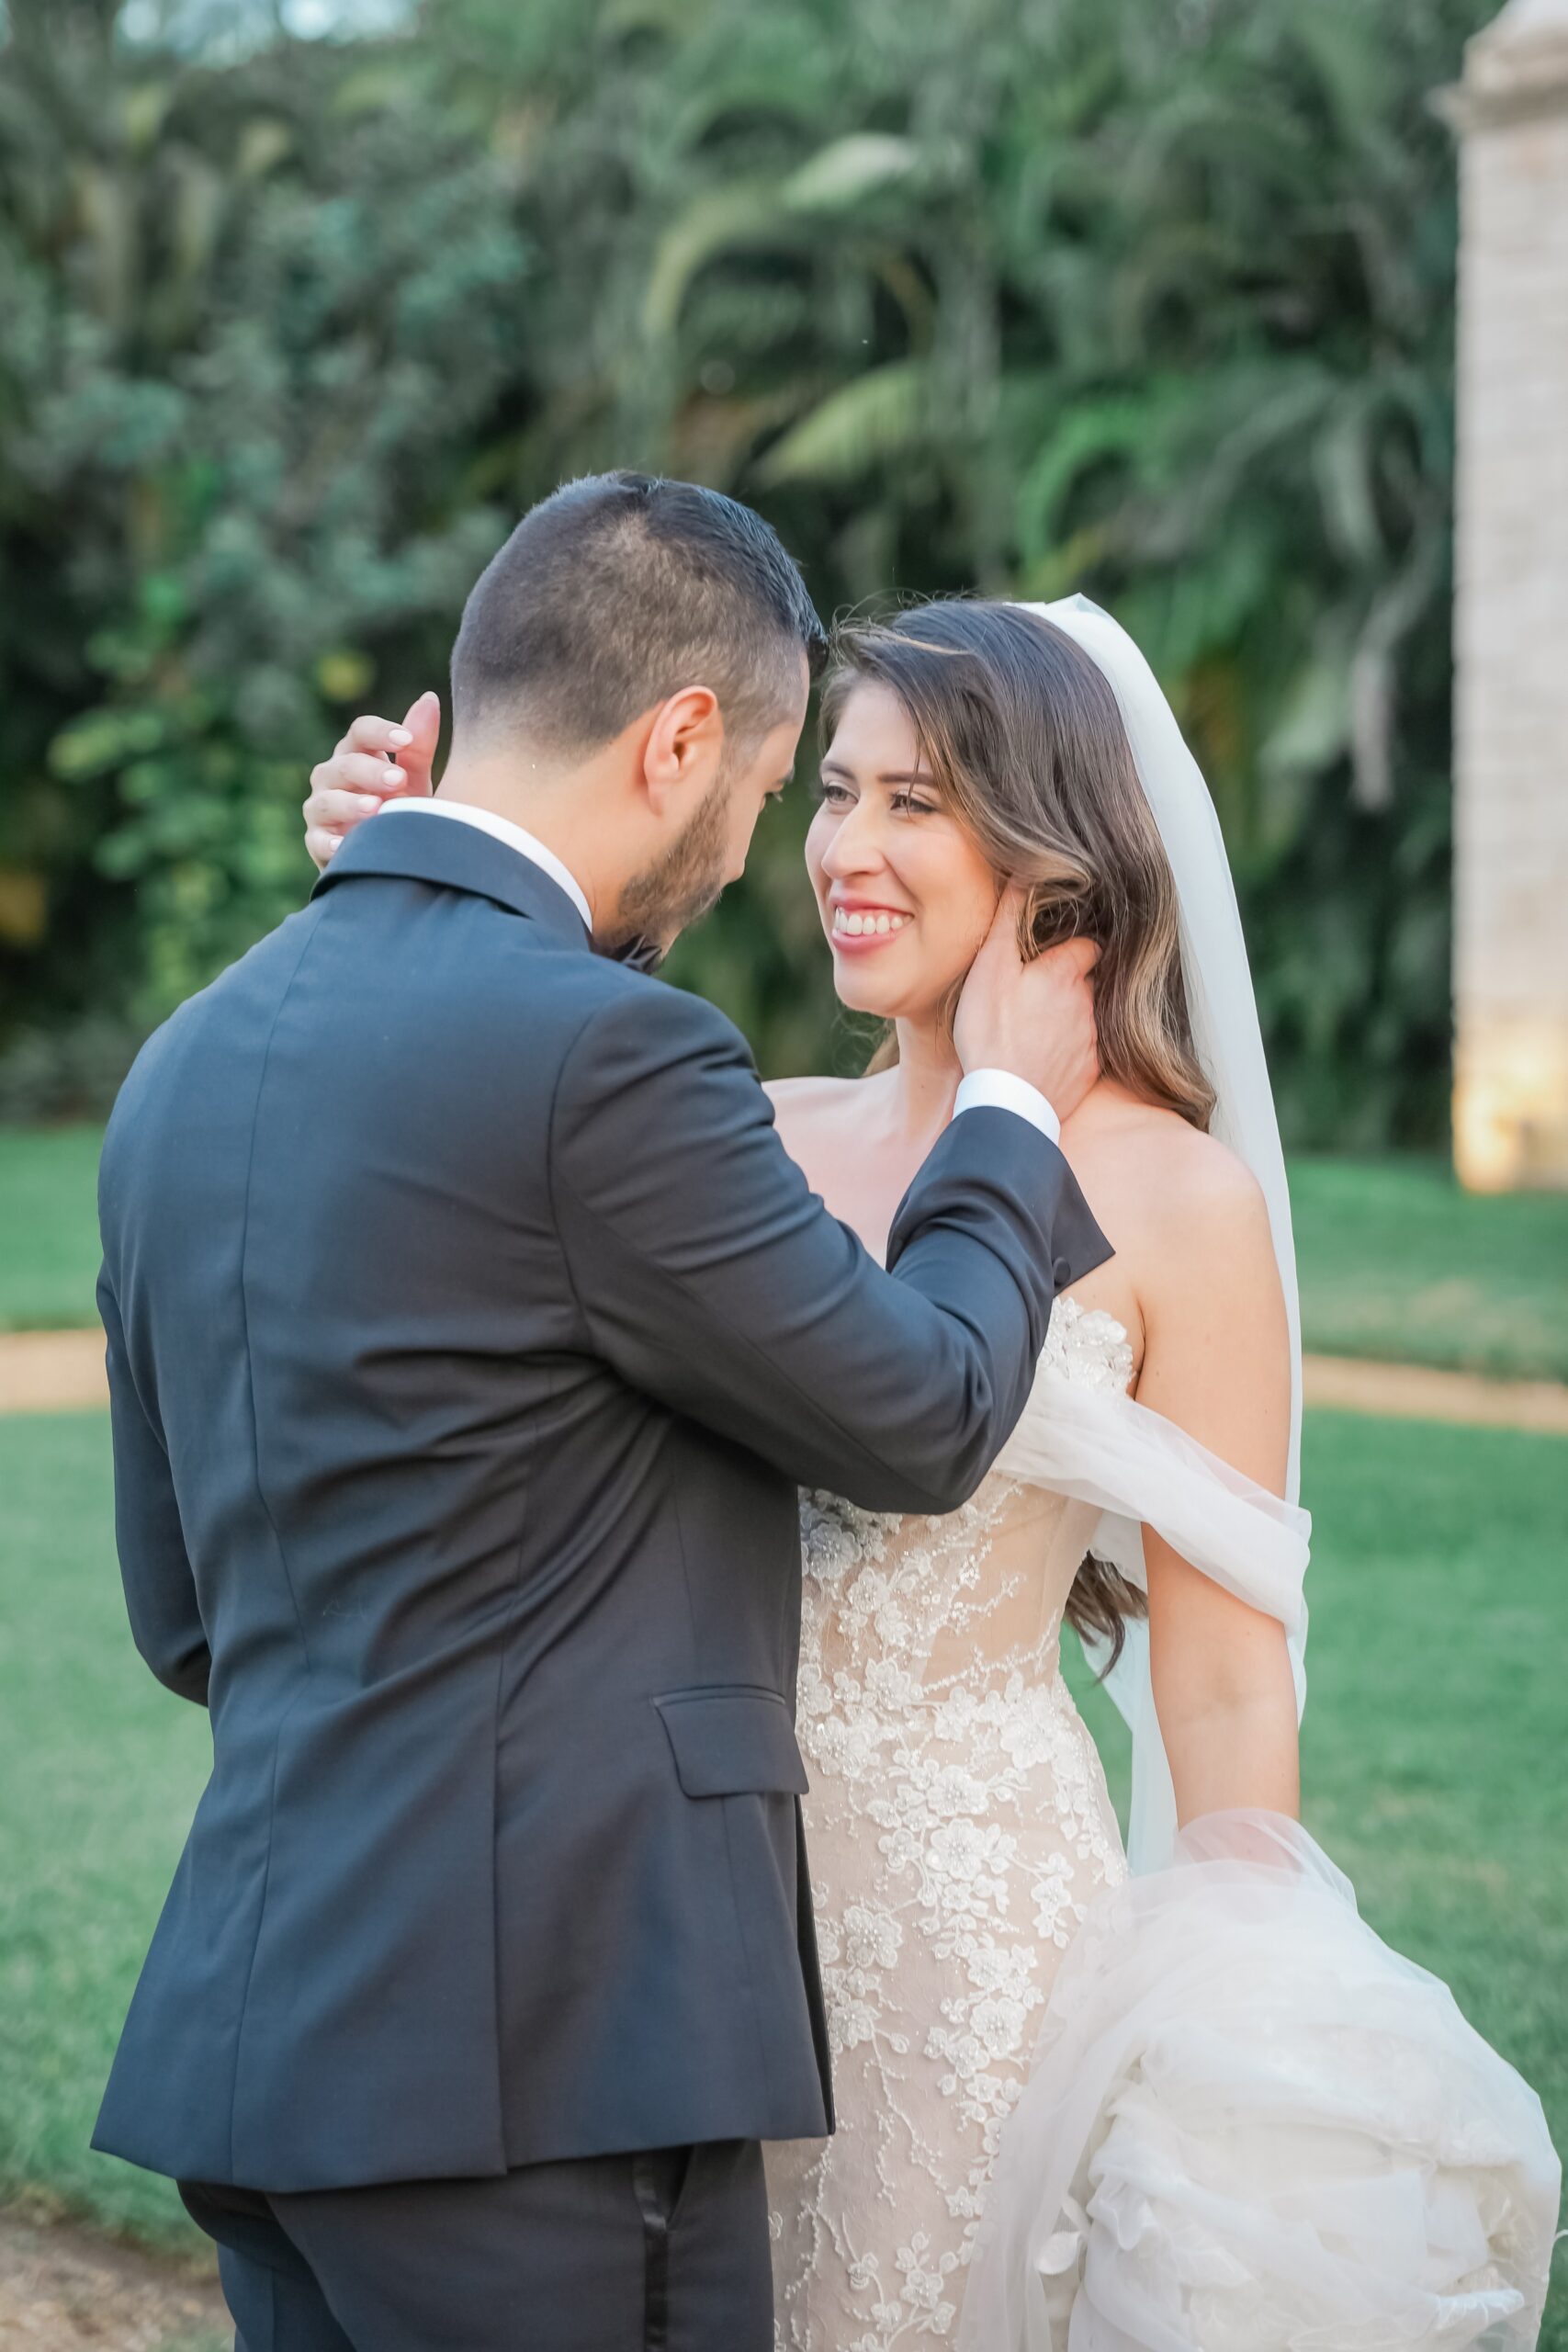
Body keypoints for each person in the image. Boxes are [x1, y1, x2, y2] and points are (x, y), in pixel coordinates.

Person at [309, 590, 1560, 2348]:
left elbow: (1212, 1668)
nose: (847, 848)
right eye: (832, 791)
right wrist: (413, 877)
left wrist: (1253, 2023)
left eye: (918, 801)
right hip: (680, 1916)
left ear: (1057, 856)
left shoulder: (1180, 1205)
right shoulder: (736, 1129)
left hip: (971, 1943)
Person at [92, 474, 1114, 2352]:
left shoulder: (187, 1059)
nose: (751, 854)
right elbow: (918, 1412)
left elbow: (185, 1620)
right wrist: (1009, 1115)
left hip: (265, 2048)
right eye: (773, 787)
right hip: (535, 2081)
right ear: (679, 738)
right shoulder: (604, 1058)